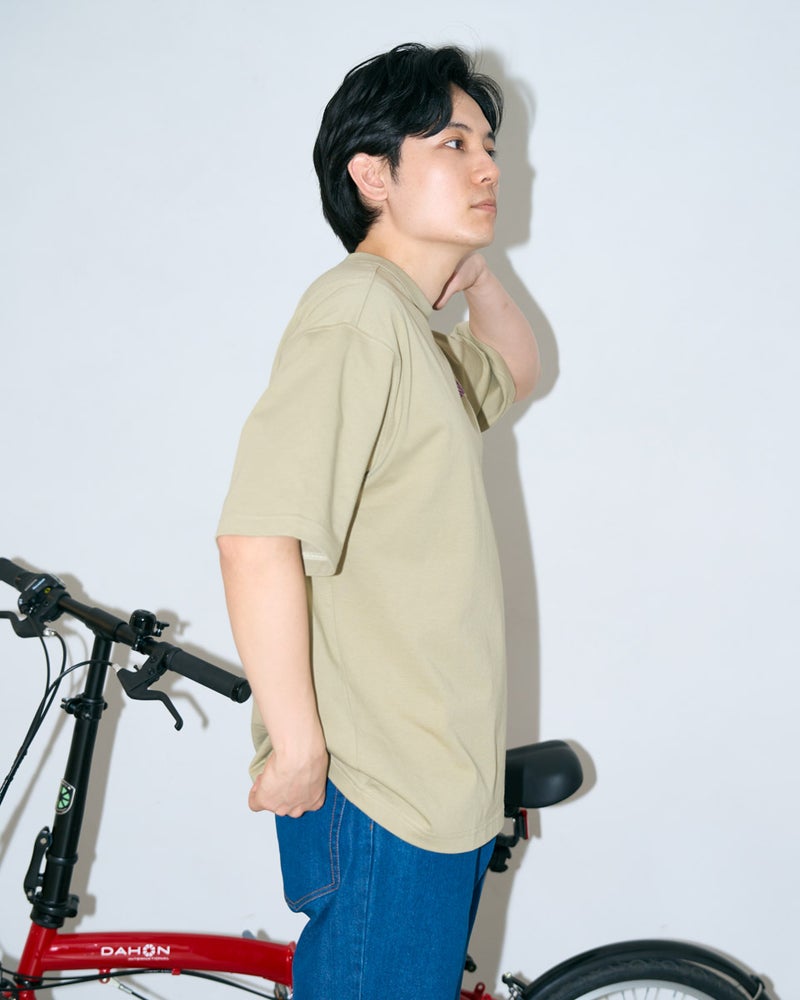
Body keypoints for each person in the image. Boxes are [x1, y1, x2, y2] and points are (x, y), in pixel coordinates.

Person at [217, 42, 540, 1000]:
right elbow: (257, 538)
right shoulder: (357, 313)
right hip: (381, 792)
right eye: (454, 144)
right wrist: (298, 748)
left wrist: (475, 277)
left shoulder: (409, 331)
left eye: (490, 147)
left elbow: (516, 370)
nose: (489, 168)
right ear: (373, 175)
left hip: (435, 787)